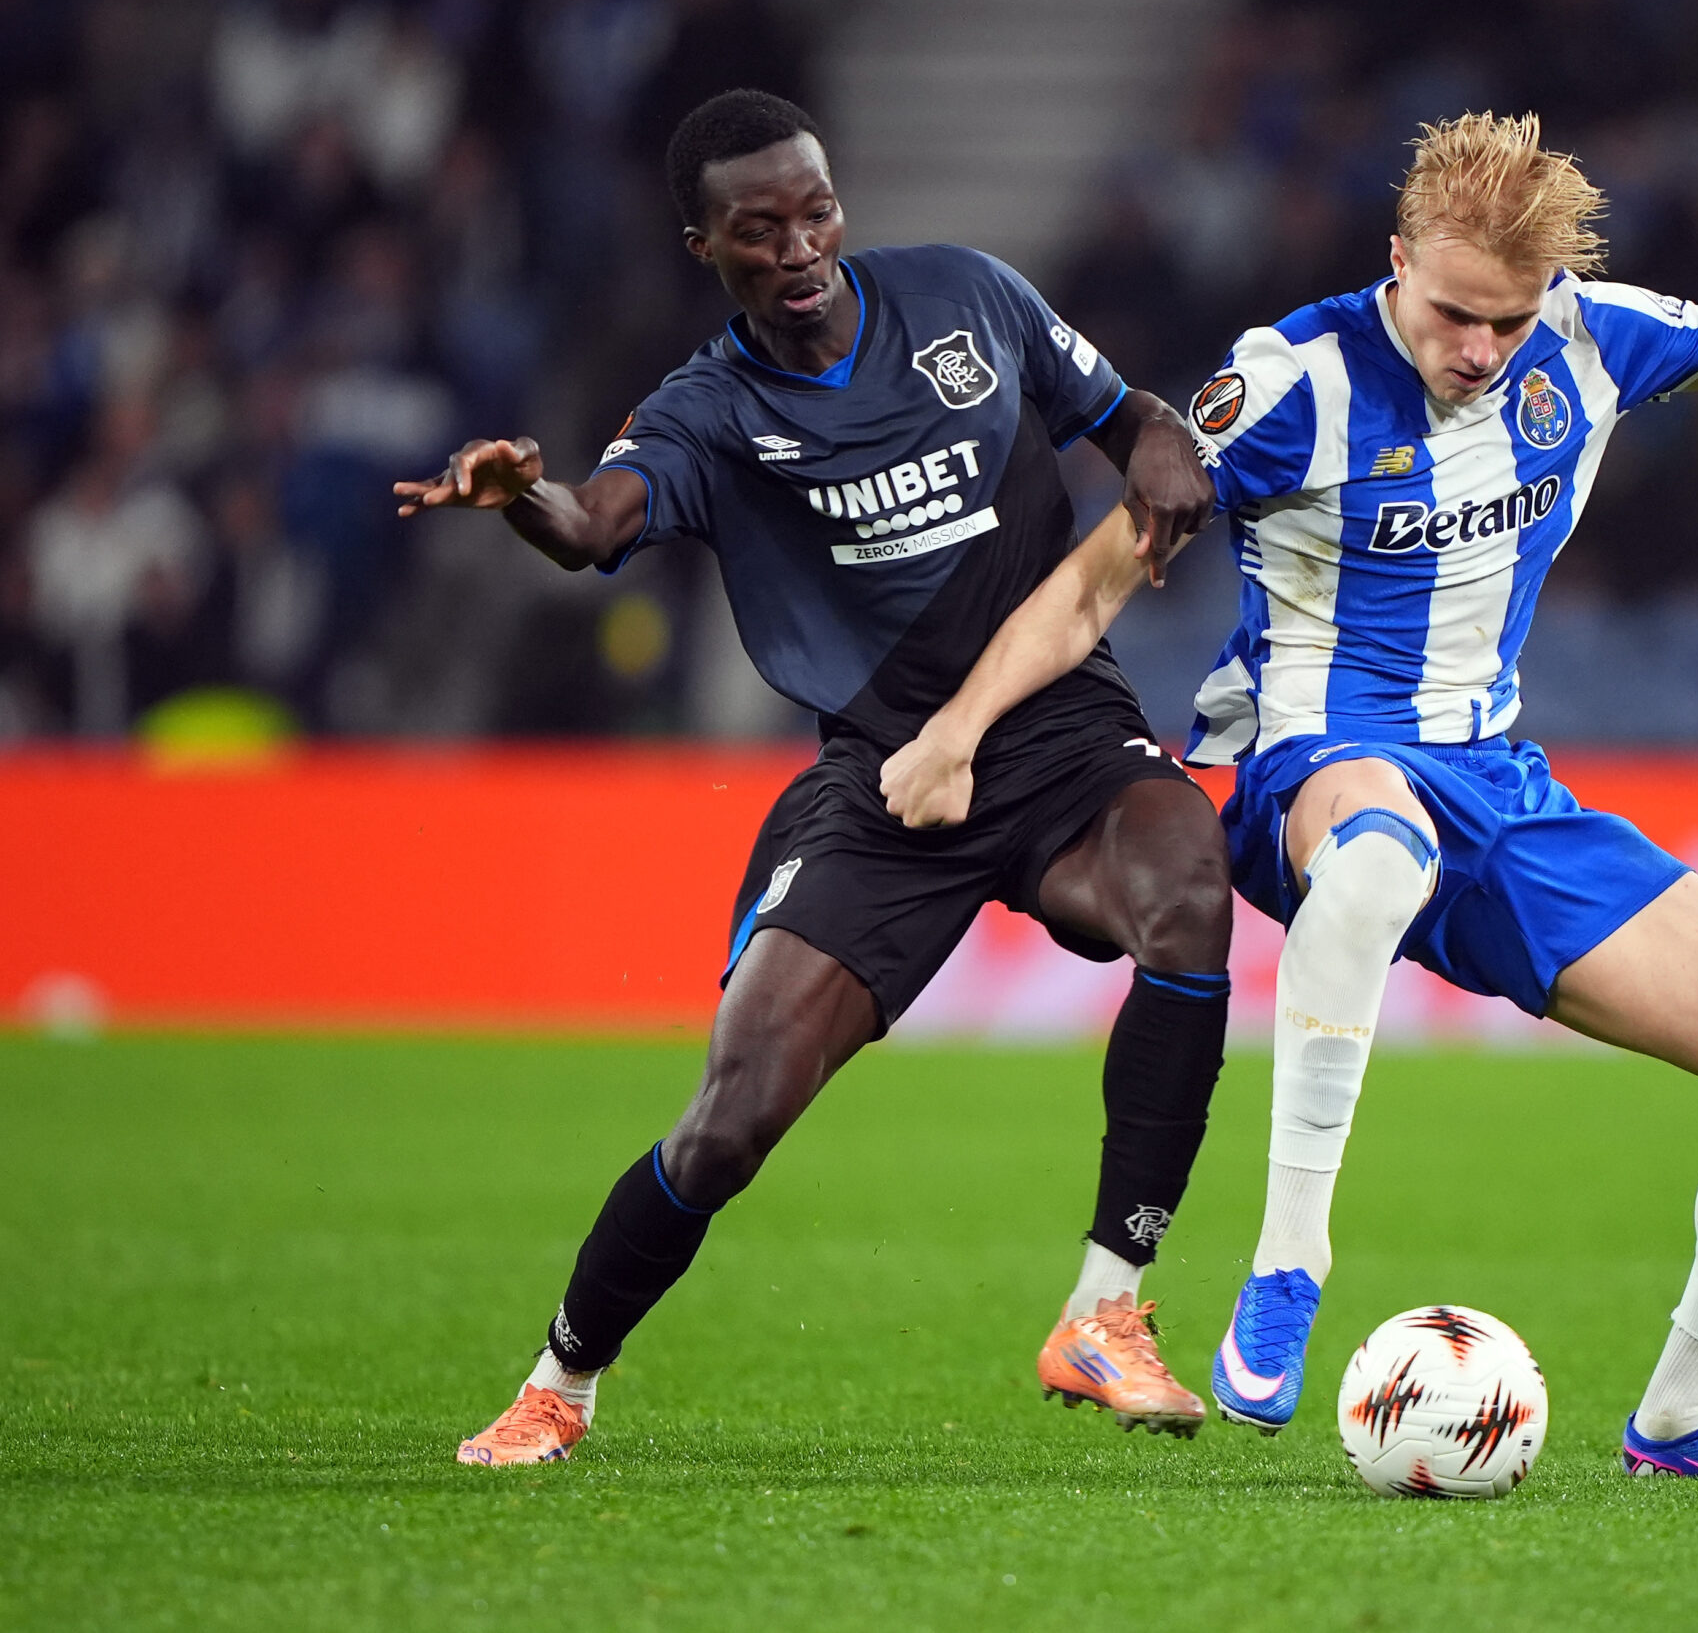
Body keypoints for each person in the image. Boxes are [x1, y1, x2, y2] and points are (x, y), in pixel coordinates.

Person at [883, 111, 1698, 1481]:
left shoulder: (1587, 338)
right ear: (1396, 261)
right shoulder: (1291, 380)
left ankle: (1683, 1422)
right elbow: (1097, 576)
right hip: (1308, 768)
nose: (1479, 351)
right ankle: (1288, 1265)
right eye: (1453, 313)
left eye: (1506, 322)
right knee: (1380, 859)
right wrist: (961, 727)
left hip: (1500, 791)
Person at [398, 89, 1236, 1464]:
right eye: (758, 230)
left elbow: (1123, 405)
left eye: (815, 212)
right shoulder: (711, 408)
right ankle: (561, 1379)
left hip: (1063, 733)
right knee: (732, 1122)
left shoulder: (970, 298)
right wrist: (523, 501)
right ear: (704, 247)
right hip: (884, 785)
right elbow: (599, 518)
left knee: (1187, 895)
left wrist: (1155, 438)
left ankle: (1108, 1310)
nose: (798, 247)